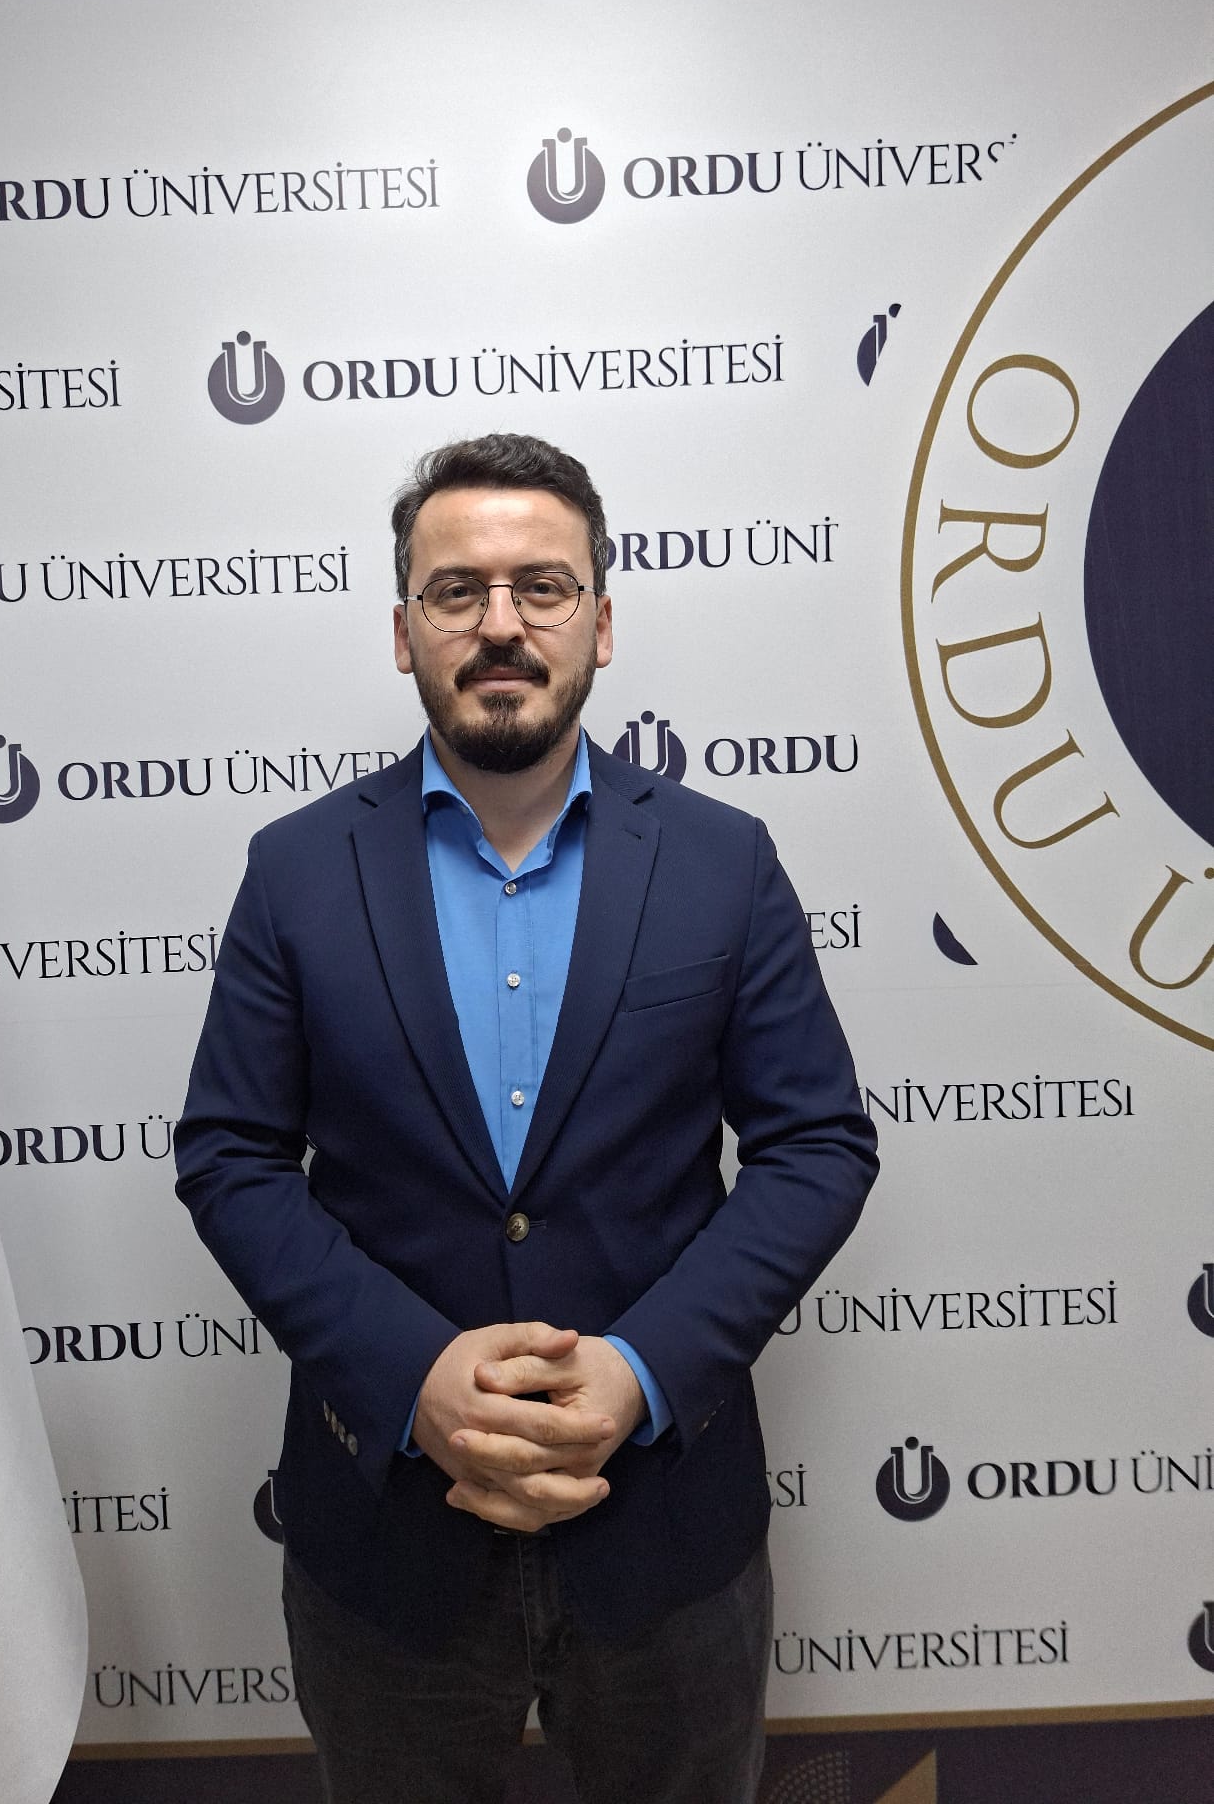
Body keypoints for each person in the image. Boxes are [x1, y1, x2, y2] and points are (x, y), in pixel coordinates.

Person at [175, 433, 877, 1803]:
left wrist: (642, 1370)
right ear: (404, 633)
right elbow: (231, 1156)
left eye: (541, 587)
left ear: (599, 624)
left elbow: (816, 1147)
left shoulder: (723, 861)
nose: (500, 624)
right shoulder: (296, 871)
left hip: (666, 1532)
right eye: (457, 591)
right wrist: (412, 1377)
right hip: (388, 1536)